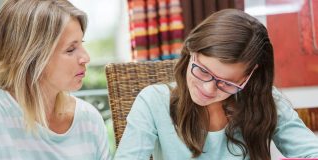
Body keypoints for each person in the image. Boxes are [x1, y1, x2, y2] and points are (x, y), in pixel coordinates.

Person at [114, 9, 318, 160]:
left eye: (227, 83)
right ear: (191, 51)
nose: (208, 89)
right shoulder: (154, 101)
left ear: (248, 78)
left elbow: (312, 152)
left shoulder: (266, 99)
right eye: (203, 71)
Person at [0, 0, 111, 159]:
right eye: (70, 49)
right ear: (30, 56)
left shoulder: (89, 120)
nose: (86, 58)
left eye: (81, 43)